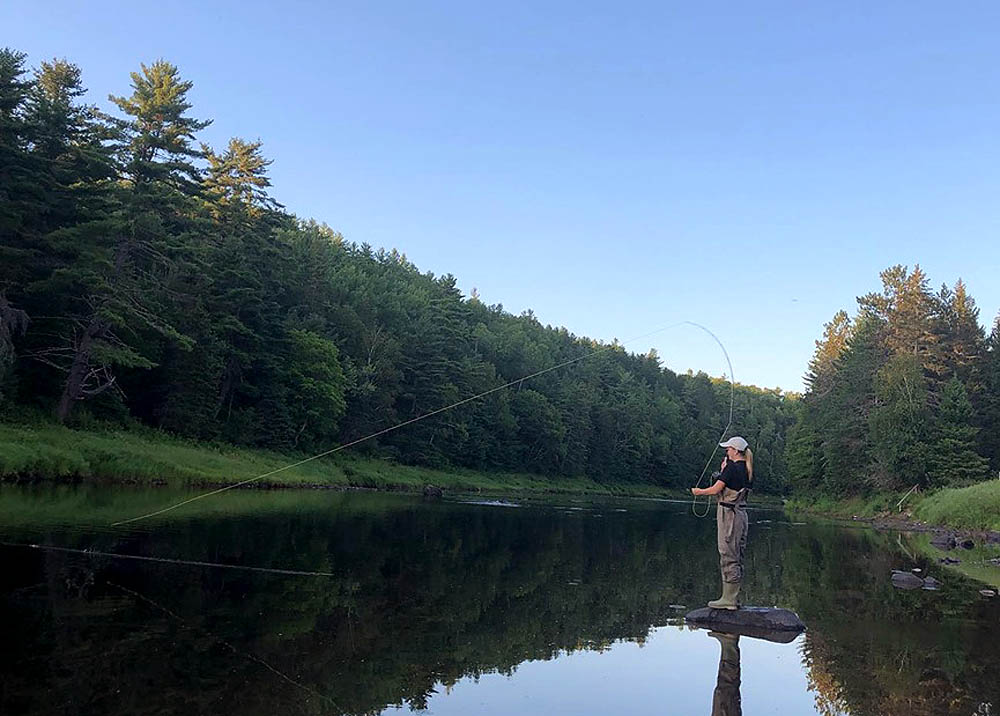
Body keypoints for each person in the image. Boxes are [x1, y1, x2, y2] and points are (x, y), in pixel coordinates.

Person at [690, 436, 753, 610]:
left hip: (729, 516)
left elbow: (716, 489)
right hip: (741, 515)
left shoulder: (732, 467)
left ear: (735, 451)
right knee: (737, 555)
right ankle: (732, 597)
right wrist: (724, 470)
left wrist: (698, 492)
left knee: (728, 553)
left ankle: (729, 600)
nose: (726, 452)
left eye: (728, 449)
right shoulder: (747, 469)